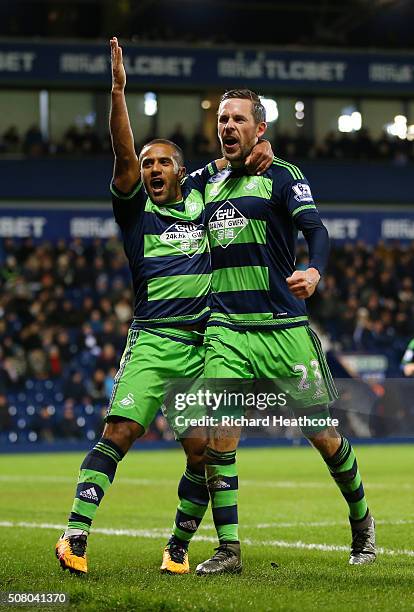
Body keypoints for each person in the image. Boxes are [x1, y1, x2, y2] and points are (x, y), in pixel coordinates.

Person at [55, 41, 272, 576]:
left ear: (180, 172)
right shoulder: (136, 213)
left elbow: (236, 155)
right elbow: (122, 154)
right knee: (119, 434)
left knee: (201, 455)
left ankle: (177, 547)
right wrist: (119, 92)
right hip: (154, 343)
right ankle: (75, 536)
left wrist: (264, 150)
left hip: (204, 348)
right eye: (146, 163)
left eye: (162, 163)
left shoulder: (203, 200)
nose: (151, 169)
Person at [189, 89, 375, 574]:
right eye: (222, 119)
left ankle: (362, 521)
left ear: (259, 130)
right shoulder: (208, 180)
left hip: (283, 329)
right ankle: (228, 549)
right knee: (220, 436)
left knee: (324, 435)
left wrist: (314, 272)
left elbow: (317, 230)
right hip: (227, 328)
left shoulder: (283, 176)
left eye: (237, 120)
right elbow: (165, 185)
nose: (226, 126)